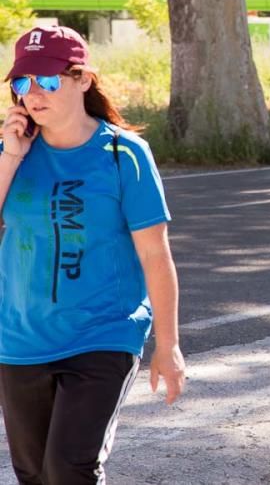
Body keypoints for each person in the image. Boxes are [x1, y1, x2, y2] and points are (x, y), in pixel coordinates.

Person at [0, 26, 185, 484]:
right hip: (20, 339)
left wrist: (168, 345)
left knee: (69, 470)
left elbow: (155, 256)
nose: (33, 95)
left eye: (47, 80)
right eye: (22, 84)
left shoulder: (125, 154)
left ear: (82, 79)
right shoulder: (13, 152)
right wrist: (10, 157)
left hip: (103, 333)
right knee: (33, 474)